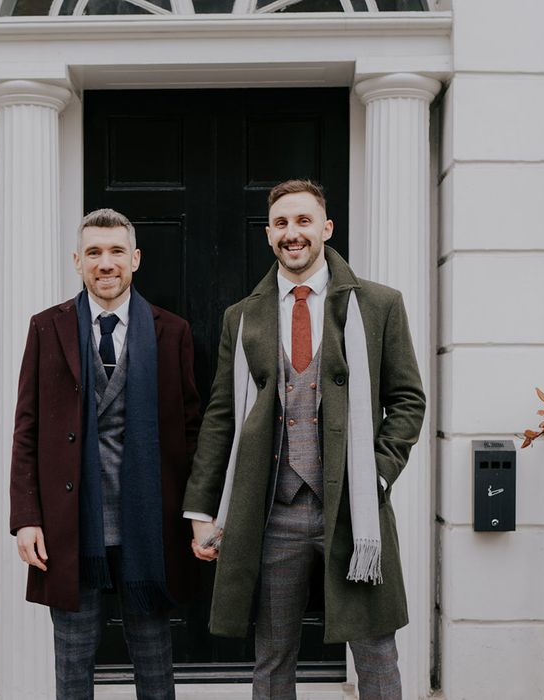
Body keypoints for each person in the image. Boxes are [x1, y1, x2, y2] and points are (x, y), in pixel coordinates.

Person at [183, 180, 426, 700]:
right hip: (273, 511)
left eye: (303, 221)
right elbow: (221, 415)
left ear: (326, 228)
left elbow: (408, 401)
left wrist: (377, 472)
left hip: (353, 511)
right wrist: (203, 509)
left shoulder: (379, 305)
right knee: (272, 656)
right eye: (281, 224)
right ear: (269, 233)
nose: (292, 234)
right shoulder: (242, 317)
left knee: (376, 652)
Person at [10, 208, 200, 700]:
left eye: (116, 251)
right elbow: (26, 428)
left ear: (135, 259)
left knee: (154, 659)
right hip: (70, 524)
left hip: (148, 523)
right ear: (78, 261)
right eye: (94, 252)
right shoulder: (46, 328)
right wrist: (26, 517)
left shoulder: (171, 331)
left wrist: (198, 510)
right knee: (73, 662)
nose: (106, 262)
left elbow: (192, 429)